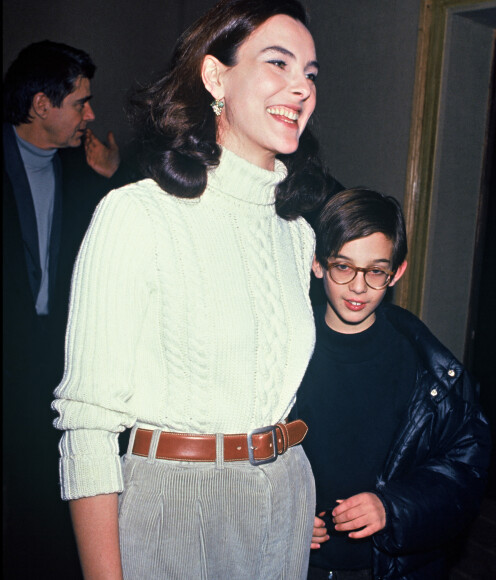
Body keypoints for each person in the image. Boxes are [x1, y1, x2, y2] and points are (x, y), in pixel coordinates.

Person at [51, 1, 331, 578]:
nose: (300, 87)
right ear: (214, 77)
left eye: (310, 72)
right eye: (278, 62)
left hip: (285, 495)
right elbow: (88, 422)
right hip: (175, 505)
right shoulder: (137, 215)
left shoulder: (297, 234)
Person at [291, 188, 492, 579]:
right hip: (292, 564)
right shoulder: (279, 352)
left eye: (376, 271)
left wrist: (392, 507)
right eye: (343, 266)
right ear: (317, 264)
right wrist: (282, 514)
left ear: (396, 272)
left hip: (384, 568)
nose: (358, 286)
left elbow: (463, 476)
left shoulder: (432, 373)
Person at [2, 40, 135, 578]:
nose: (91, 114)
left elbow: (124, 250)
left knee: (46, 500)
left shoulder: (86, 170)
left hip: (54, 366)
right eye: (81, 102)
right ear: (40, 105)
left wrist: (114, 179)